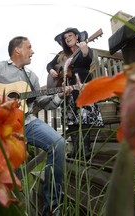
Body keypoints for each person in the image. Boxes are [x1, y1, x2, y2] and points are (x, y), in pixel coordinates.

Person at [0, 36, 72, 216]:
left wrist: (60, 96)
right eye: (29, 47)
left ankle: (52, 209)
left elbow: (44, 103)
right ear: (17, 50)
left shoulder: (32, 76)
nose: (33, 51)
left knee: (58, 144)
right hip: (2, 127)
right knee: (9, 174)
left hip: (27, 121)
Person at [46, 27, 104, 160]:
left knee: (84, 118)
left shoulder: (83, 48)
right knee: (71, 121)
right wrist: (52, 71)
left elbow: (87, 58)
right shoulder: (61, 55)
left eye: (70, 36)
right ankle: (76, 150)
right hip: (67, 91)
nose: (67, 39)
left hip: (82, 87)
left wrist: (84, 48)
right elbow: (49, 65)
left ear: (77, 36)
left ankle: (86, 150)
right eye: (65, 37)